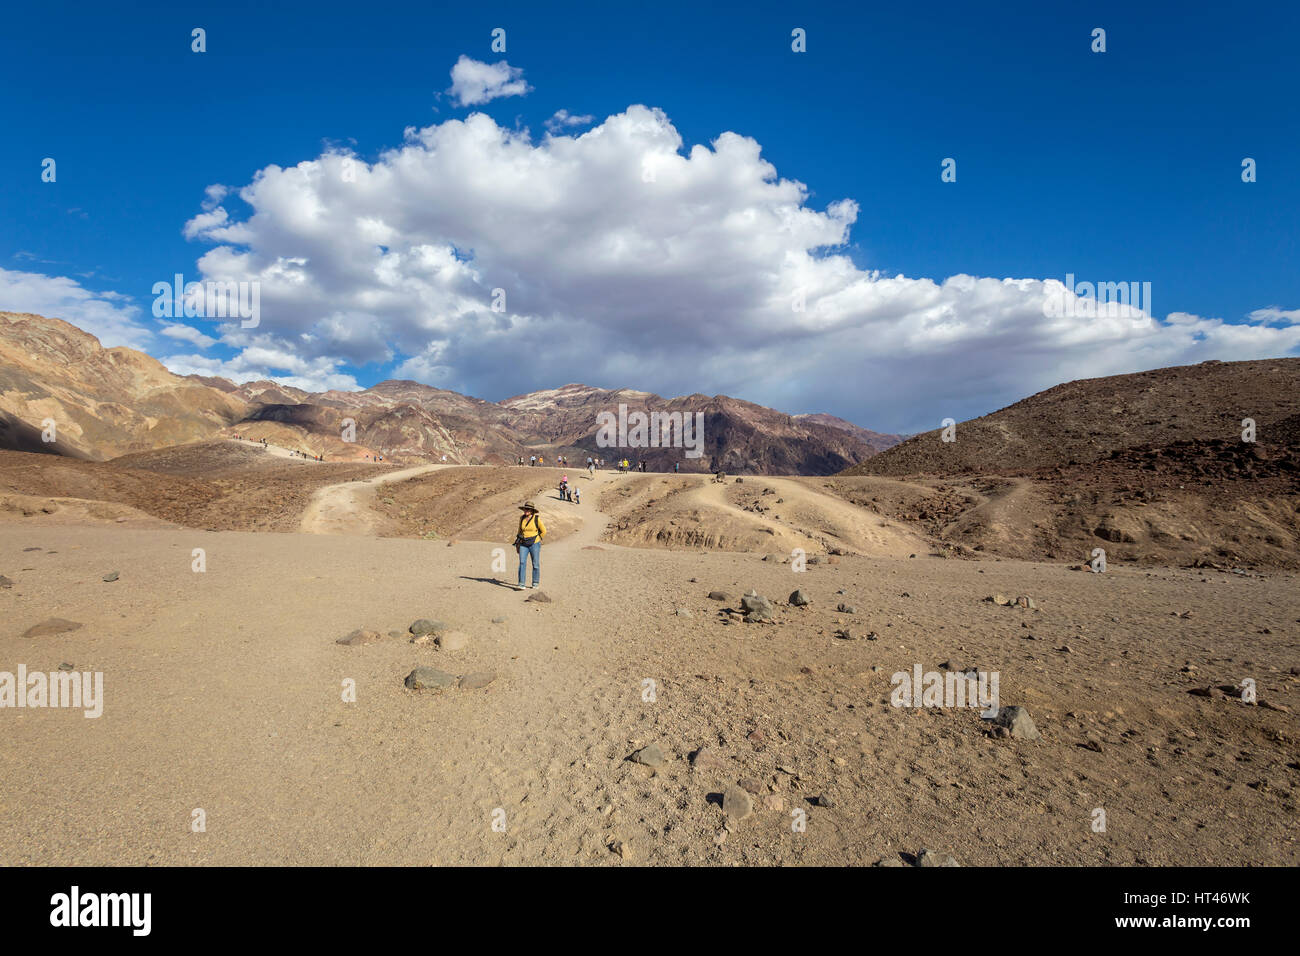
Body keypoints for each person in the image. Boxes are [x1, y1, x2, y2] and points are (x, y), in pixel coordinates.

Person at [513, 501, 545, 590]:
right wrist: (517, 544)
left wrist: (537, 539)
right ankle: (521, 583)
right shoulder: (522, 518)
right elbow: (519, 531)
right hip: (523, 543)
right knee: (522, 563)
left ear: (532, 510)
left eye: (528, 509)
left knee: (535, 564)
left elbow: (543, 531)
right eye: (525, 509)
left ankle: (535, 582)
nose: (525, 511)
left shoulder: (536, 519)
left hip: (534, 544)